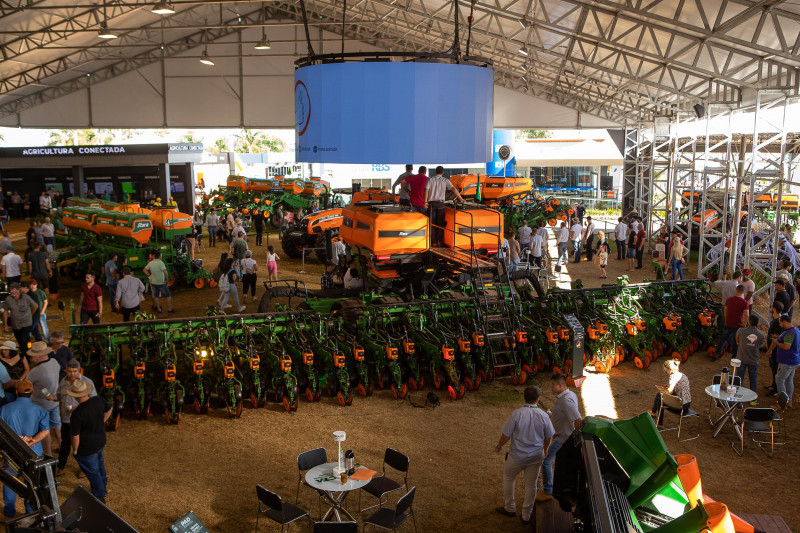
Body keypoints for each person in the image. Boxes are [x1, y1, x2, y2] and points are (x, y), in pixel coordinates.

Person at [494, 386, 554, 526]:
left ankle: (510, 508)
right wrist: (545, 449)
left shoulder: (516, 414)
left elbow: (506, 435)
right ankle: (526, 515)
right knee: (531, 485)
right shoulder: (544, 415)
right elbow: (549, 435)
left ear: (524, 398)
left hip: (516, 456)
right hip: (535, 456)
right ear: (538, 400)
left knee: (508, 479)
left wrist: (499, 446)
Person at [1, 380, 49, 519]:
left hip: (12, 452)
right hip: (33, 452)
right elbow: (45, 431)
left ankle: (9, 513)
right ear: (32, 392)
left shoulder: (5, 409)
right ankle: (31, 512)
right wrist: (31, 441)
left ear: (16, 392)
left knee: (10, 480)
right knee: (32, 483)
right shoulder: (40, 410)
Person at [539, 374, 582, 501]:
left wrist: (574, 440)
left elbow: (578, 420)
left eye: (553, 384)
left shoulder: (566, 400)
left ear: (560, 385)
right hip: (562, 435)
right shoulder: (569, 395)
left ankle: (548, 491)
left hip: (562, 438)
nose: (551, 387)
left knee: (545, 461)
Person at [68, 378, 111, 503]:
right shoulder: (98, 400)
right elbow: (109, 408)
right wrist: (103, 420)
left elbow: (75, 436)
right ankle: (103, 483)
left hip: (86, 447)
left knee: (92, 472)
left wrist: (75, 449)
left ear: (75, 396)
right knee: (99, 462)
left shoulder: (77, 414)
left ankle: (100, 495)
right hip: (100, 440)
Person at [55, 359, 96, 476]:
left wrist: (78, 409)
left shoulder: (87, 383)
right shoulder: (63, 381)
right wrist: (52, 398)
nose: (72, 374)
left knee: (80, 445)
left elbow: (93, 401)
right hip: (66, 420)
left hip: (81, 421)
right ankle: (61, 467)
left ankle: (83, 468)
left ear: (79, 370)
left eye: (75, 371)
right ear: (65, 371)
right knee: (65, 444)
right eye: (70, 371)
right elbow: (58, 396)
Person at [27, 341, 61, 457]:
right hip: (54, 401)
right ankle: (62, 445)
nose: (31, 357)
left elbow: (27, 385)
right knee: (57, 425)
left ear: (40, 356)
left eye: (33, 355)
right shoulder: (55, 362)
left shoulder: (35, 371)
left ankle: (48, 454)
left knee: (44, 430)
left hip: (41, 405)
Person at [425, 167, 465, 247]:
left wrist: (425, 201)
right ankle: (439, 242)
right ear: (443, 172)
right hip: (441, 204)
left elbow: (426, 189)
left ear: (435, 172)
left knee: (432, 224)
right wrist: (460, 198)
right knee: (440, 224)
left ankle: (432, 243)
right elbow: (453, 189)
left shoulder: (430, 180)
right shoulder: (445, 180)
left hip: (432, 204)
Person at [649, 359, 691, 429]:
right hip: (687, 404)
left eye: (666, 371)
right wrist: (668, 386)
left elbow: (669, 391)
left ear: (670, 370)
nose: (666, 372)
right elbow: (680, 389)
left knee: (660, 396)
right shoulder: (682, 375)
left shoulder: (673, 376)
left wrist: (662, 389)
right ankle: (653, 413)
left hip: (680, 406)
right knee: (660, 396)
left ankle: (659, 421)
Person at [715, 284, 749, 360]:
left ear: (736, 291)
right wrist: (744, 324)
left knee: (723, 339)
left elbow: (725, 311)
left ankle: (717, 353)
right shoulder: (745, 302)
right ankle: (734, 358)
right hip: (738, 325)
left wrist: (726, 320)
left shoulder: (729, 299)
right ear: (743, 292)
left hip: (728, 323)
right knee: (736, 342)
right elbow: (747, 315)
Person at [3, 283, 38, 357]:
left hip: (26, 324)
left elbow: (35, 305)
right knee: (20, 341)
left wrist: (31, 315)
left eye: (13, 289)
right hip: (15, 325)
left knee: (24, 340)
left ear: (18, 290)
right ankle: (27, 353)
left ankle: (26, 356)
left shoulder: (26, 297)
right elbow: (5, 311)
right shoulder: (8, 299)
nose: (11, 291)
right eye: (10, 289)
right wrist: (5, 324)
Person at [735, 315, 764, 396]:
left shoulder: (741, 330)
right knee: (753, 379)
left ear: (749, 322)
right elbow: (760, 345)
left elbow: (737, 340)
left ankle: (737, 397)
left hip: (742, 358)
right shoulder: (761, 334)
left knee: (739, 379)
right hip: (753, 360)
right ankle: (753, 399)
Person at [774, 314, 799, 408]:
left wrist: (776, 342)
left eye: (780, 323)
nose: (780, 325)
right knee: (789, 380)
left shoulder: (789, 333)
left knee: (779, 379)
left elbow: (786, 347)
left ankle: (782, 403)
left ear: (785, 322)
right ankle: (789, 401)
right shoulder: (795, 330)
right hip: (794, 360)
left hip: (787, 361)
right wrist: (779, 338)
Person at [765, 302, 784, 396]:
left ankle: (776, 389)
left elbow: (776, 338)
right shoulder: (775, 320)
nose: (770, 308)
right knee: (772, 367)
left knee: (775, 368)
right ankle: (773, 384)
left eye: (772, 306)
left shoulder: (778, 322)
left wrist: (770, 349)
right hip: (771, 347)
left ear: (775, 309)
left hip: (775, 350)